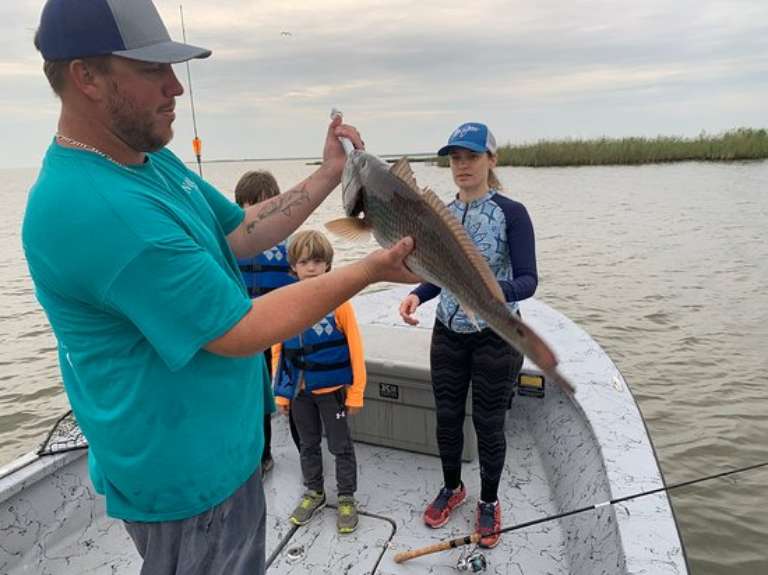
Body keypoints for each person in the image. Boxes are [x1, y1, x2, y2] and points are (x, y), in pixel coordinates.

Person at [23, 1, 418, 574]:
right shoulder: (99, 208)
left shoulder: (143, 162)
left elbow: (241, 232)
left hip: (222, 457)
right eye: (151, 70)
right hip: (185, 480)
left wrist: (331, 173)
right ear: (86, 75)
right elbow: (240, 329)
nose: (175, 88)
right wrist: (368, 270)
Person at [398, 122, 536, 549]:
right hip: (449, 331)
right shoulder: (439, 214)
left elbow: (529, 280)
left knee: (490, 423)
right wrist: (419, 295)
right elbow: (441, 275)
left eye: (472, 157)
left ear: (491, 160)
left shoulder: (512, 214)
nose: (462, 166)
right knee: (447, 416)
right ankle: (453, 486)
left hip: (496, 334)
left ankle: (490, 502)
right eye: (456, 158)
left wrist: (491, 295)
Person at [271, 230, 366, 534]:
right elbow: (279, 352)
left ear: (328, 265)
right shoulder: (286, 305)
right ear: (293, 268)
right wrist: (282, 395)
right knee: (308, 445)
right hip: (300, 394)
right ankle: (315, 491)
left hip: (334, 394)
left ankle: (347, 496)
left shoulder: (340, 304)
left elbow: (355, 349)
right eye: (304, 261)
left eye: (317, 261)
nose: (311, 267)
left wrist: (356, 394)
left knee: (341, 446)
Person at [234, 170, 301, 470]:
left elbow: (311, 280)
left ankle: (304, 453)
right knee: (251, 395)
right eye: (249, 206)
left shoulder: (289, 246)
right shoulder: (229, 245)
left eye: (263, 205)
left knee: (291, 392)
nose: (256, 213)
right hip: (246, 331)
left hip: (282, 330)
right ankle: (261, 455)